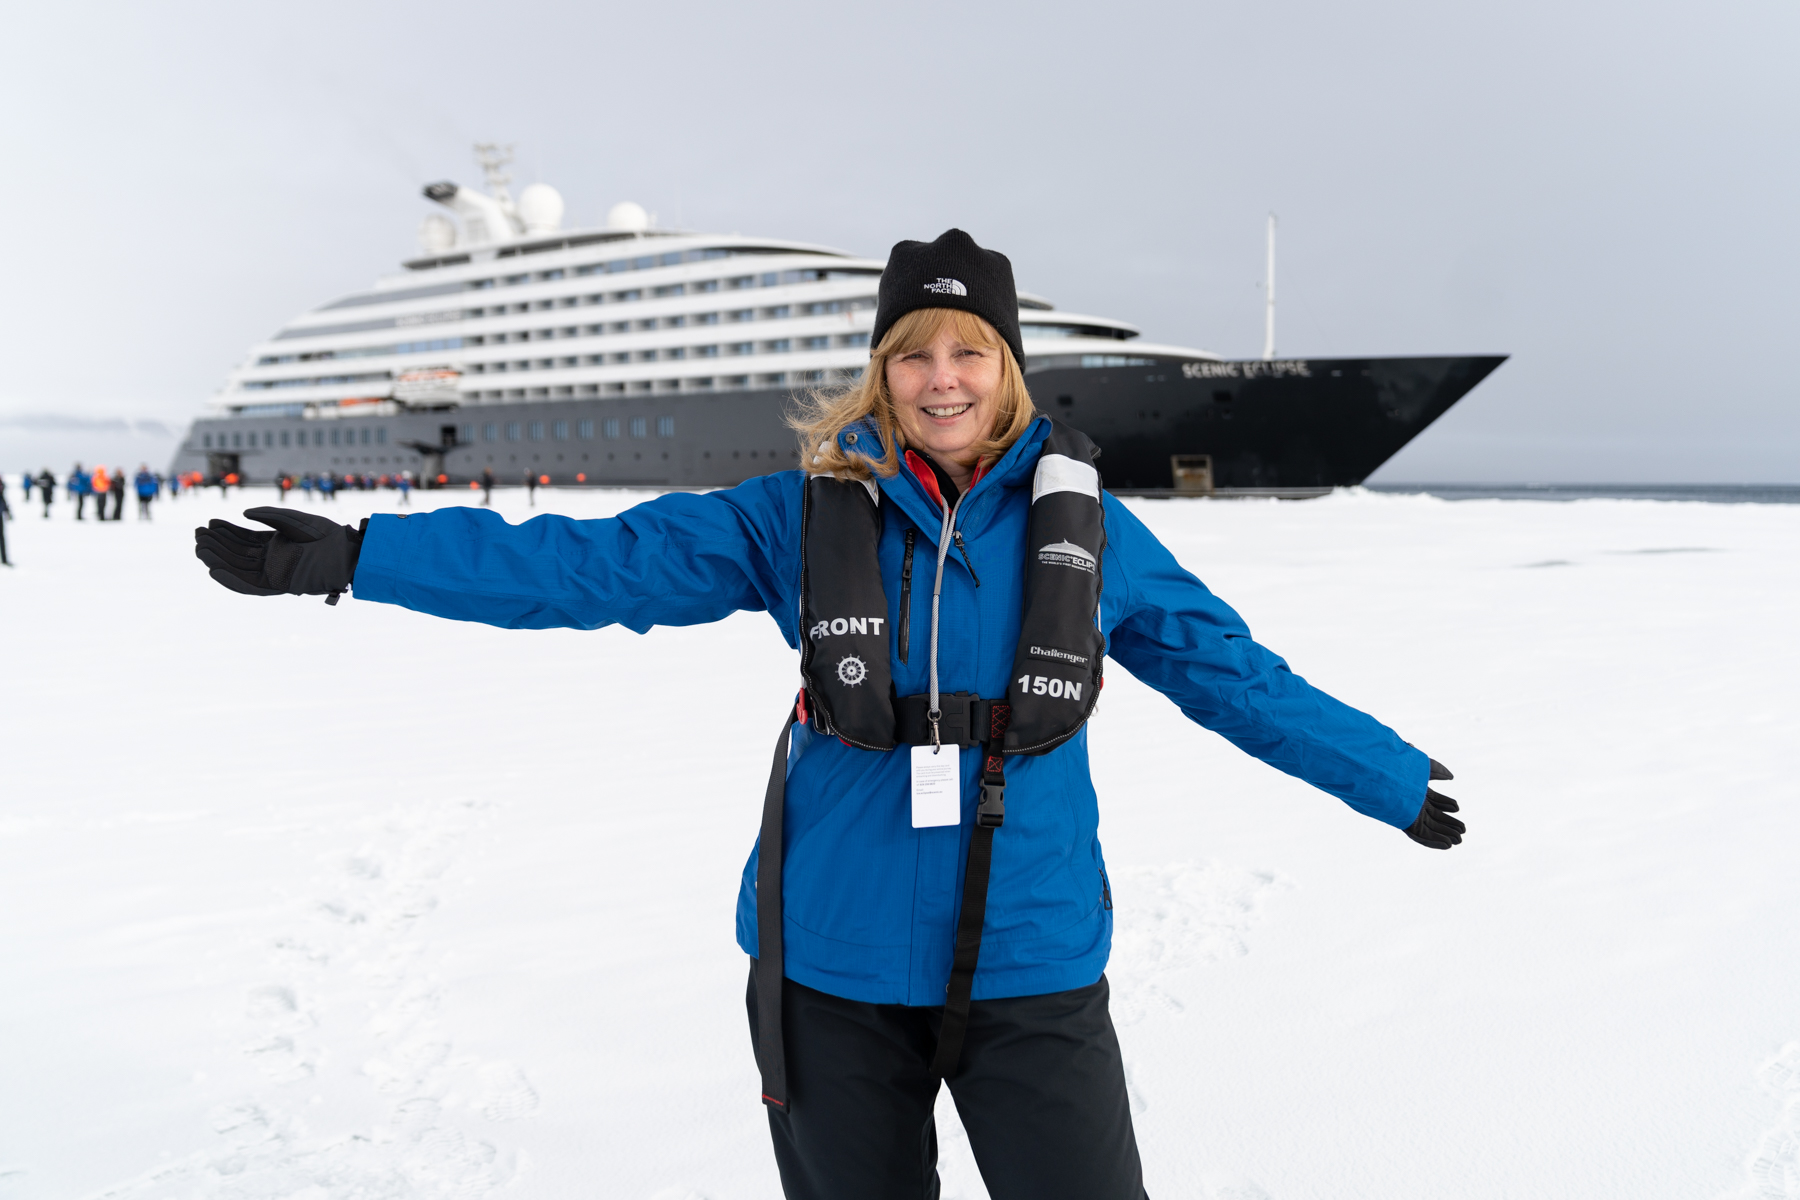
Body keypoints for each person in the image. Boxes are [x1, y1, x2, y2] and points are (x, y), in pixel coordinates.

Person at [191, 229, 1465, 1200]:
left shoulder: (1099, 539)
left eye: (970, 351)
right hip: (829, 971)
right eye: (914, 351)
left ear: (1010, 369)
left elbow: (1235, 677)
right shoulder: (793, 519)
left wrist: (1389, 777)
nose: (941, 376)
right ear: (881, 371)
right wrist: (362, 558)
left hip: (1034, 962)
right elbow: (582, 569)